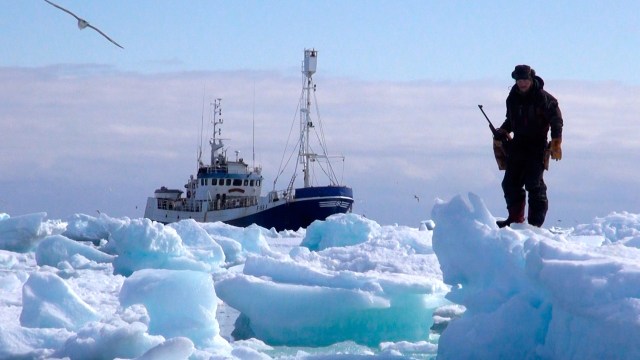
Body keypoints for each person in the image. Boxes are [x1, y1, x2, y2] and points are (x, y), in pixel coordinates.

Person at [495, 64, 563, 228]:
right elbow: (511, 121)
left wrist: (556, 142)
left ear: (531, 79)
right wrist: (502, 130)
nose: (522, 83)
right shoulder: (512, 98)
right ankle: (515, 220)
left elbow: (556, 121)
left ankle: (534, 226)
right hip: (517, 145)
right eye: (519, 80)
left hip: (537, 145)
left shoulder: (545, 99)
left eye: (525, 79)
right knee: (510, 183)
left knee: (534, 183)